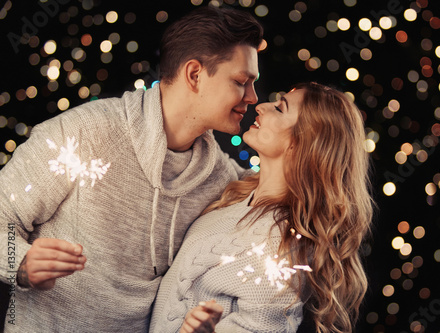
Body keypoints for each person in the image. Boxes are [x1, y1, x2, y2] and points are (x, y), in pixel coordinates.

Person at [0, 6, 263, 332]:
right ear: (194, 74)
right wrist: (21, 265)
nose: (252, 97)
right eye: (241, 81)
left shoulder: (220, 177)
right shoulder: (84, 133)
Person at [149, 82, 374, 333]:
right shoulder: (239, 190)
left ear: (301, 142)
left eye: (279, 109)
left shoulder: (282, 249)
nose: (262, 106)